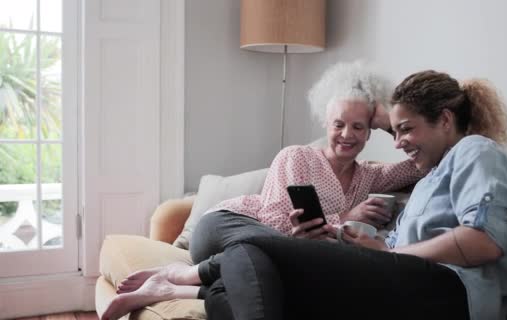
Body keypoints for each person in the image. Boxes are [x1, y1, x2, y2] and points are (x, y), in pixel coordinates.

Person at [100, 61, 424, 320]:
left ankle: (168, 288)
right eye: (338, 123)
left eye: (359, 126)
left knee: (277, 283)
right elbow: (276, 224)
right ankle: (182, 274)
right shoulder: (298, 156)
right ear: (326, 124)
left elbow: (424, 160)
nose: (347, 134)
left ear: (370, 133)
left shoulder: (370, 176)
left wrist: (388, 120)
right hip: (227, 227)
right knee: (276, 252)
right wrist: (345, 218)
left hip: (260, 257)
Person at [205, 70, 507, 320]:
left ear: (445, 119)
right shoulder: (432, 174)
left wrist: (389, 255)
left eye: (406, 128)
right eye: (394, 130)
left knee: (251, 248)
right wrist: (378, 247)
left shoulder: (475, 151)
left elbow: (485, 242)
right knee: (227, 290)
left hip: (452, 292)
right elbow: (406, 246)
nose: (397, 142)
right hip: (408, 279)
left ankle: (193, 275)